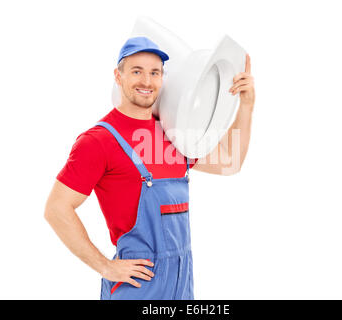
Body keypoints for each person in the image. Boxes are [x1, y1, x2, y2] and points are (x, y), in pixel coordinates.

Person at [44, 36, 255, 300]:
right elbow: (56, 208)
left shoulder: (174, 132)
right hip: (140, 283)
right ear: (118, 77)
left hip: (182, 279)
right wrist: (105, 266)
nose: (146, 81)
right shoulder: (98, 141)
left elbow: (229, 161)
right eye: (136, 71)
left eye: (154, 73)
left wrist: (246, 105)